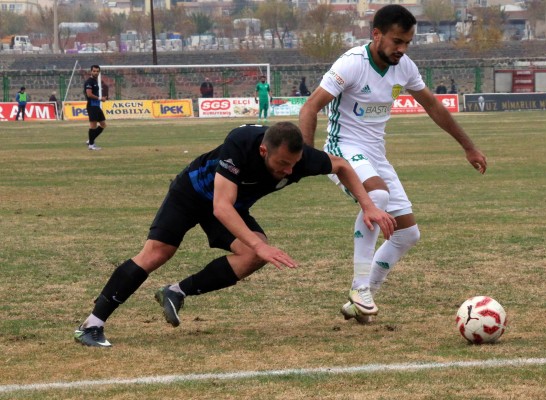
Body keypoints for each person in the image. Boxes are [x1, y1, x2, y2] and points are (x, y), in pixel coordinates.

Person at [73, 122, 396, 347]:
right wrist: (259, 244)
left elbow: (341, 166)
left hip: (229, 204)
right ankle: (91, 325)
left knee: (253, 255)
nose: (288, 171)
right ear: (263, 150)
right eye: (282, 163)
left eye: (293, 165)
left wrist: (367, 204)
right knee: (158, 252)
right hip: (193, 193)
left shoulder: (300, 160)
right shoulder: (239, 145)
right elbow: (221, 207)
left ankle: (176, 292)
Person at [298, 4, 487, 324]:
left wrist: (468, 147)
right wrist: (306, 157)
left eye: (407, 43)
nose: (402, 48)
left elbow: (433, 106)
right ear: (376, 35)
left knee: (407, 234)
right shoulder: (352, 63)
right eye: (397, 41)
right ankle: (359, 286)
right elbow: (310, 107)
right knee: (378, 197)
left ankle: (360, 301)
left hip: (375, 156)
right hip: (342, 149)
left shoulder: (405, 67)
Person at [84, 65, 107, 151]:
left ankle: (90, 140)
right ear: (91, 71)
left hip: (96, 106)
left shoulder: (95, 81)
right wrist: (100, 98)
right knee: (93, 126)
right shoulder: (89, 82)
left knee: (103, 125)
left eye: (97, 71)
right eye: (94, 71)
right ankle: (91, 145)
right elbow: (89, 94)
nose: (96, 72)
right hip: (92, 106)